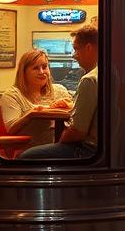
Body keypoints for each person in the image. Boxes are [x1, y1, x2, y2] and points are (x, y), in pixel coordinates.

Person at [19, 25, 99, 158]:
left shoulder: (89, 80)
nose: (74, 56)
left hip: (89, 150)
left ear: (89, 48)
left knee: (25, 156)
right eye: (35, 68)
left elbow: (77, 131)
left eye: (76, 49)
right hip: (109, 148)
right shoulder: (113, 74)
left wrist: (60, 143)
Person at [0, 49, 73, 149]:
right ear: (24, 72)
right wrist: (31, 114)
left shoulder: (60, 90)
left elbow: (75, 118)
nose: (42, 72)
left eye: (44, 67)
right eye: (35, 68)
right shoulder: (12, 95)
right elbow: (11, 129)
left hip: (63, 147)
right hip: (30, 150)